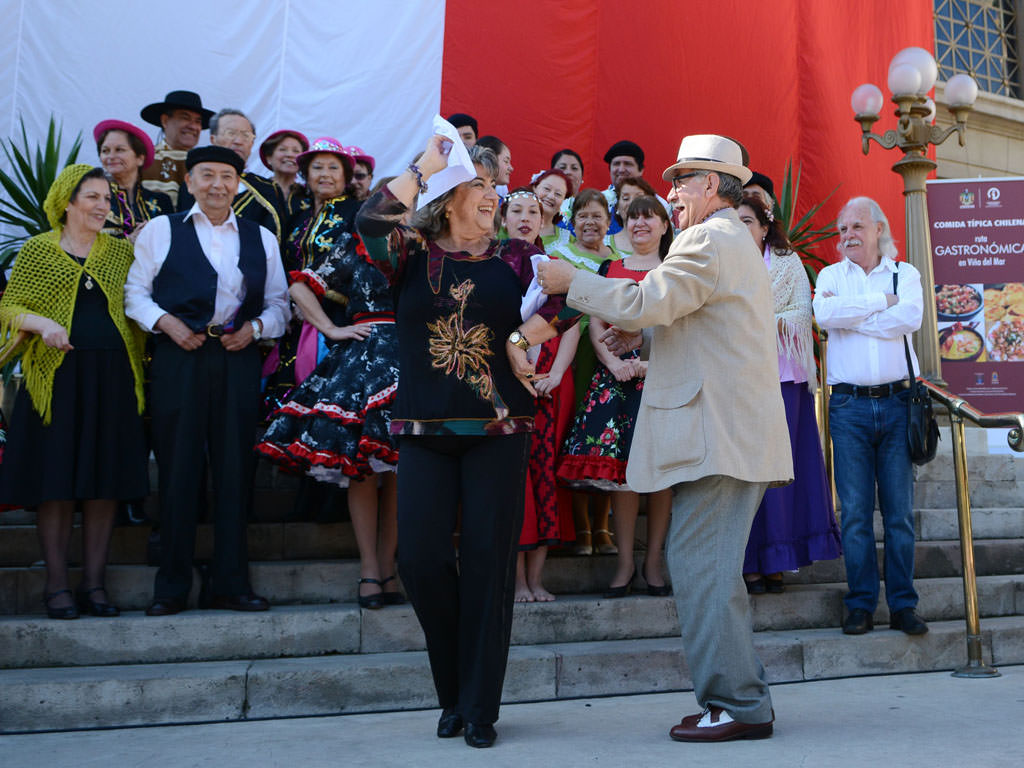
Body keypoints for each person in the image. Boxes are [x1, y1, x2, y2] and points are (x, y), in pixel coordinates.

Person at [538, 134, 793, 742]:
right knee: (706, 566)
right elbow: (700, 324)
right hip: (726, 434)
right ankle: (739, 697)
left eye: (681, 180)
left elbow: (651, 297)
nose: (671, 192)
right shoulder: (731, 238)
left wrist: (569, 278)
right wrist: (647, 341)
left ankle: (737, 704)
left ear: (711, 185)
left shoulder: (710, 236)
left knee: (700, 565)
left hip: (719, 436)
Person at [356, 140, 577, 749]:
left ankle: (477, 707)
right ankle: (452, 687)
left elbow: (572, 295)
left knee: (487, 567)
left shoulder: (516, 256)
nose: (493, 196)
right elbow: (370, 218)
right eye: (480, 186)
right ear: (449, 196)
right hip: (424, 432)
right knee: (421, 562)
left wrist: (525, 336)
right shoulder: (410, 256)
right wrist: (423, 165)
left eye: (493, 188)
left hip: (500, 434)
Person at [125, 145, 290, 616]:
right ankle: (172, 585)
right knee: (177, 467)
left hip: (236, 359)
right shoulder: (161, 230)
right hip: (179, 356)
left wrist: (255, 330)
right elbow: (135, 292)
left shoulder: (261, 237)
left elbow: (279, 304)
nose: (217, 185)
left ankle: (231, 583)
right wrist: (166, 323)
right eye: (207, 176)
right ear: (190, 180)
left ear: (238, 184)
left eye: (226, 177)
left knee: (235, 469)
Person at [0, 165, 148, 619]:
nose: (103, 206)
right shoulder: (38, 250)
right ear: (67, 202)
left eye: (107, 199)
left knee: (104, 484)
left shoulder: (120, 253)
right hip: (58, 379)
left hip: (113, 378)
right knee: (56, 485)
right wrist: (43, 324)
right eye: (93, 198)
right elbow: (10, 304)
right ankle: (58, 587)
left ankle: (95, 586)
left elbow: (138, 301)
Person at [256, 218, 400, 608]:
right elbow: (300, 286)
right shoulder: (352, 245)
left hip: (416, 361)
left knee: (406, 472)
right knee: (363, 468)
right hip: (363, 360)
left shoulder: (428, 244)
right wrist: (330, 330)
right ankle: (370, 570)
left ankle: (389, 569)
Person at [812, 196, 928, 637]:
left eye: (856, 227)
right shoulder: (829, 276)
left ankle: (903, 606)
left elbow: (910, 317)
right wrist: (882, 302)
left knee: (899, 514)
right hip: (848, 408)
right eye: (842, 230)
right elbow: (824, 314)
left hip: (899, 406)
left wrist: (854, 316)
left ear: (879, 228)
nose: (847, 237)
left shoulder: (907, 273)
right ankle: (860, 604)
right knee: (856, 513)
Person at [558, 196, 674, 598]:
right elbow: (595, 322)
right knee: (624, 479)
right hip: (617, 382)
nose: (641, 224)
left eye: (650, 217)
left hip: (662, 381)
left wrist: (647, 364)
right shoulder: (609, 267)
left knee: (661, 477)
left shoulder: (675, 270)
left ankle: (654, 561)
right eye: (634, 217)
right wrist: (613, 363)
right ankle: (625, 563)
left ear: (664, 224)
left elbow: (680, 325)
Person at [736, 194, 841, 594]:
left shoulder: (787, 262)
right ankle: (748, 562)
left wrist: (758, 320)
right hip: (740, 380)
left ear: (765, 227)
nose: (743, 227)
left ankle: (779, 559)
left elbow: (801, 312)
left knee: (784, 471)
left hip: (785, 376)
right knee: (748, 474)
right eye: (736, 221)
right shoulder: (722, 263)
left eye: (749, 220)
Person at [501, 188, 580, 603]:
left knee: (544, 475)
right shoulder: (491, 264)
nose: (526, 217)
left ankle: (537, 578)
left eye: (534, 211)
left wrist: (557, 372)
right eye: (517, 210)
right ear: (503, 217)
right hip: (504, 381)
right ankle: (515, 581)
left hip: (549, 381)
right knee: (510, 479)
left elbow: (571, 321)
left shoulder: (554, 267)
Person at [547, 189, 619, 557]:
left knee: (606, 434)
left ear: (609, 222)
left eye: (597, 216)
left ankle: (604, 526)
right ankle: (582, 529)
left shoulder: (621, 259)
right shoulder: (560, 258)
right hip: (573, 350)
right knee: (577, 434)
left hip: (613, 348)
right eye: (582, 217)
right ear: (571, 223)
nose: (590, 222)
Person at [178, 109, 282, 242]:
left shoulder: (268, 189)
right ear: (213, 139)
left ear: (252, 143)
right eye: (230, 133)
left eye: (246, 135)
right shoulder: (194, 184)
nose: (238, 141)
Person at [94, 119, 173, 241]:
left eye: (119, 150)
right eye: (105, 151)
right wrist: (129, 241)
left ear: (140, 159)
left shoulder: (162, 202)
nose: (111, 156)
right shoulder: (94, 200)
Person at [139, 90, 214, 206]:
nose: (193, 126)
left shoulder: (209, 164)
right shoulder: (143, 160)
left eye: (197, 121)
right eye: (185, 118)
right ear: (165, 120)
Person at [259, 129, 311, 222]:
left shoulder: (308, 195)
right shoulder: (256, 192)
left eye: (296, 151)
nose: (290, 155)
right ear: (269, 158)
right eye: (282, 149)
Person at [606, 176, 659, 256]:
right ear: (617, 207)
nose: (632, 203)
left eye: (639, 197)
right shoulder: (600, 243)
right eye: (626, 198)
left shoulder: (667, 242)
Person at [531, 169, 573, 251]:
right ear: (534, 188)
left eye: (558, 194)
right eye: (547, 189)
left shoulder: (568, 240)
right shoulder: (511, 225)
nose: (551, 196)